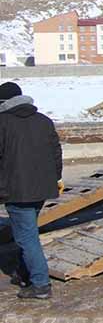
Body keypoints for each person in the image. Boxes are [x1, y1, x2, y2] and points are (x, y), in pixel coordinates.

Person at [0, 82, 62, 300]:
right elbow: (56, 152)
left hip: (17, 190)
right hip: (42, 188)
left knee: (27, 237)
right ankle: (25, 272)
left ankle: (40, 284)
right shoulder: (43, 120)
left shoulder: (3, 122)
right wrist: (55, 178)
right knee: (25, 232)